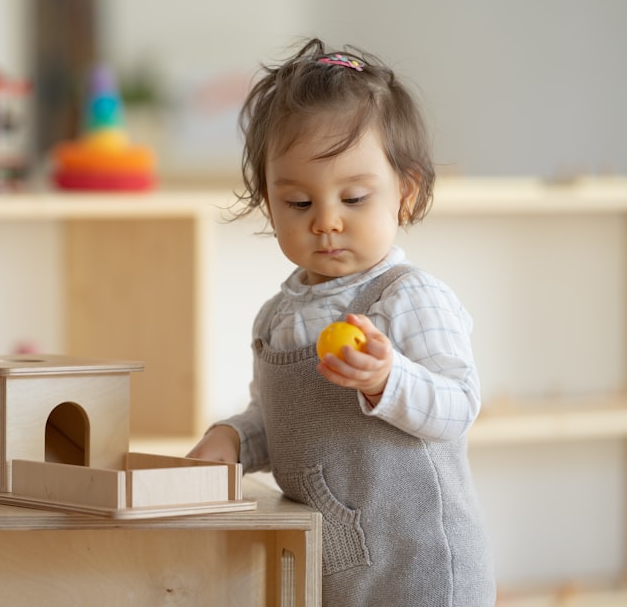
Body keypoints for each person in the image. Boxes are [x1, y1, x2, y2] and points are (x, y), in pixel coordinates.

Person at [186, 38, 495, 606]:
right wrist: (233, 437)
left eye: (353, 198)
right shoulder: (277, 317)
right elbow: (281, 421)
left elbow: (457, 407)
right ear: (268, 204)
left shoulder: (406, 298)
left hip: (418, 567)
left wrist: (388, 379)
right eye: (299, 204)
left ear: (405, 193)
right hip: (333, 569)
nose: (326, 222)